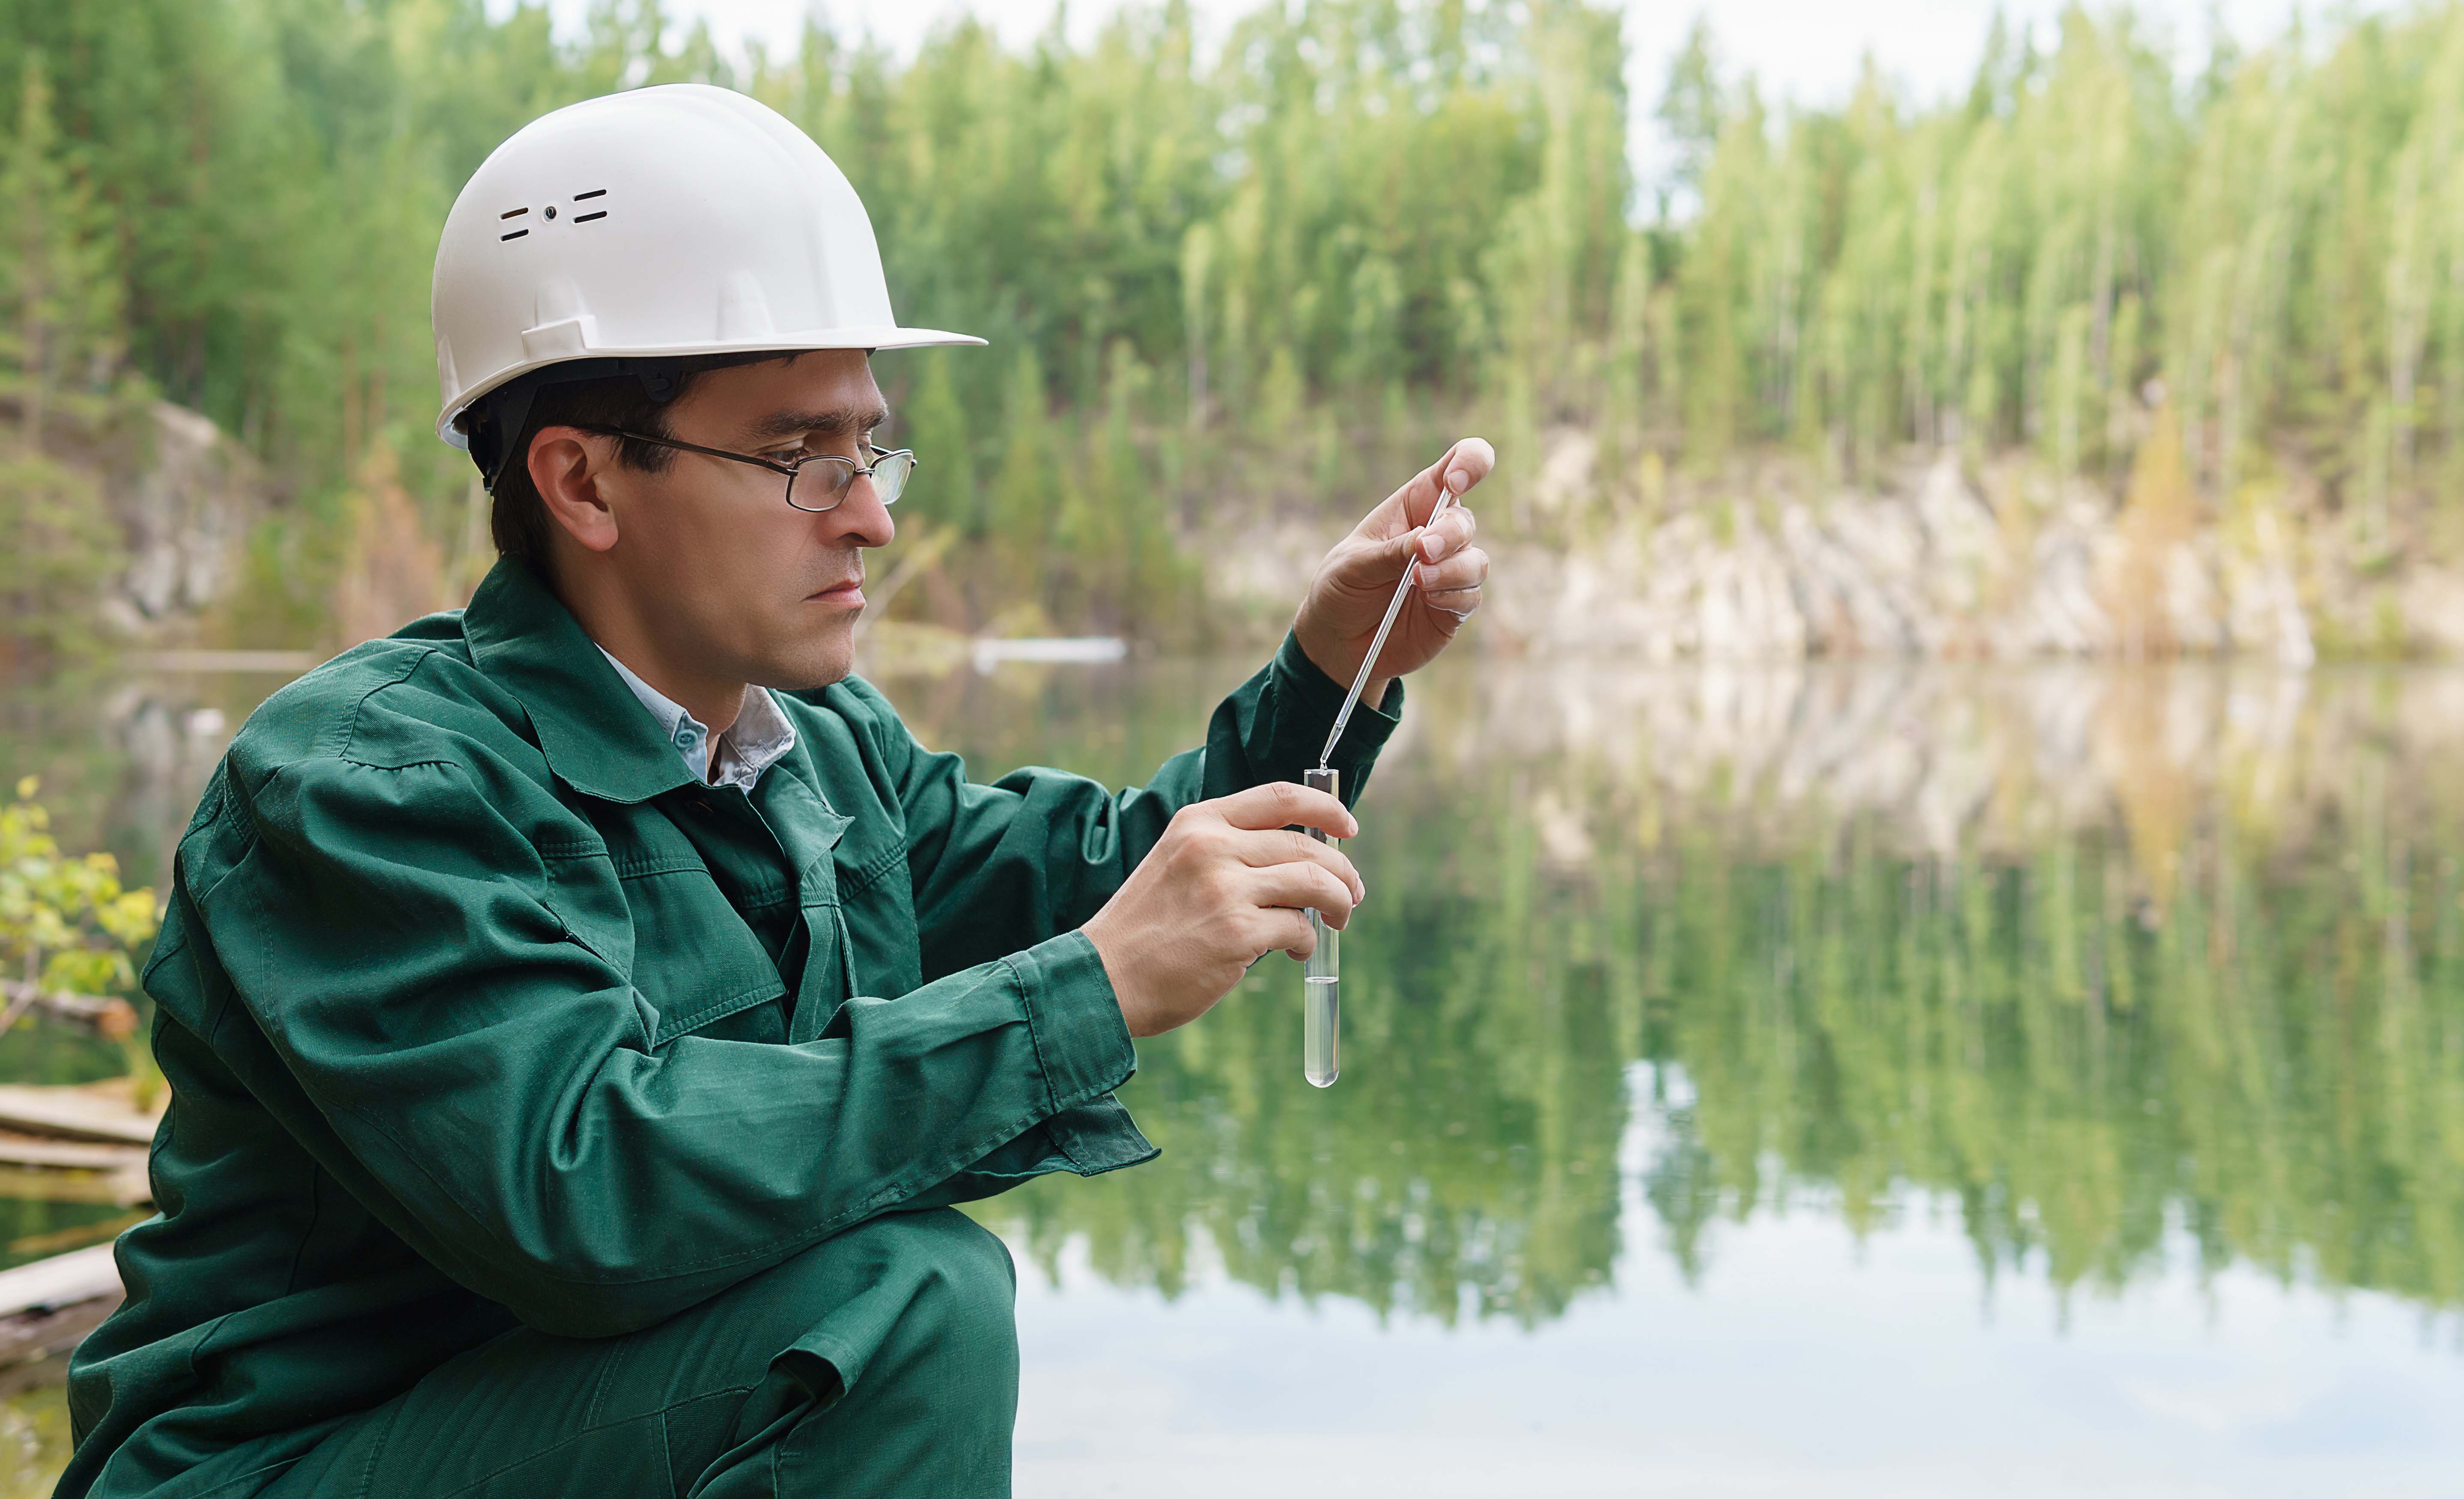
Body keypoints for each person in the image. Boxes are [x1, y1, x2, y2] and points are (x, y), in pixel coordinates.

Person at [57, 84, 1493, 1498]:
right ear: (584, 484)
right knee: (897, 1301)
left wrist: (1330, 668)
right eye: (803, 455)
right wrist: (1089, 991)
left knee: (892, 1286)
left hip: (556, 1440)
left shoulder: (813, 744)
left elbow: (1116, 878)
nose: (872, 511)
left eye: (868, 446)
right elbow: (583, 1188)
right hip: (281, 1465)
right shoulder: (368, 786)